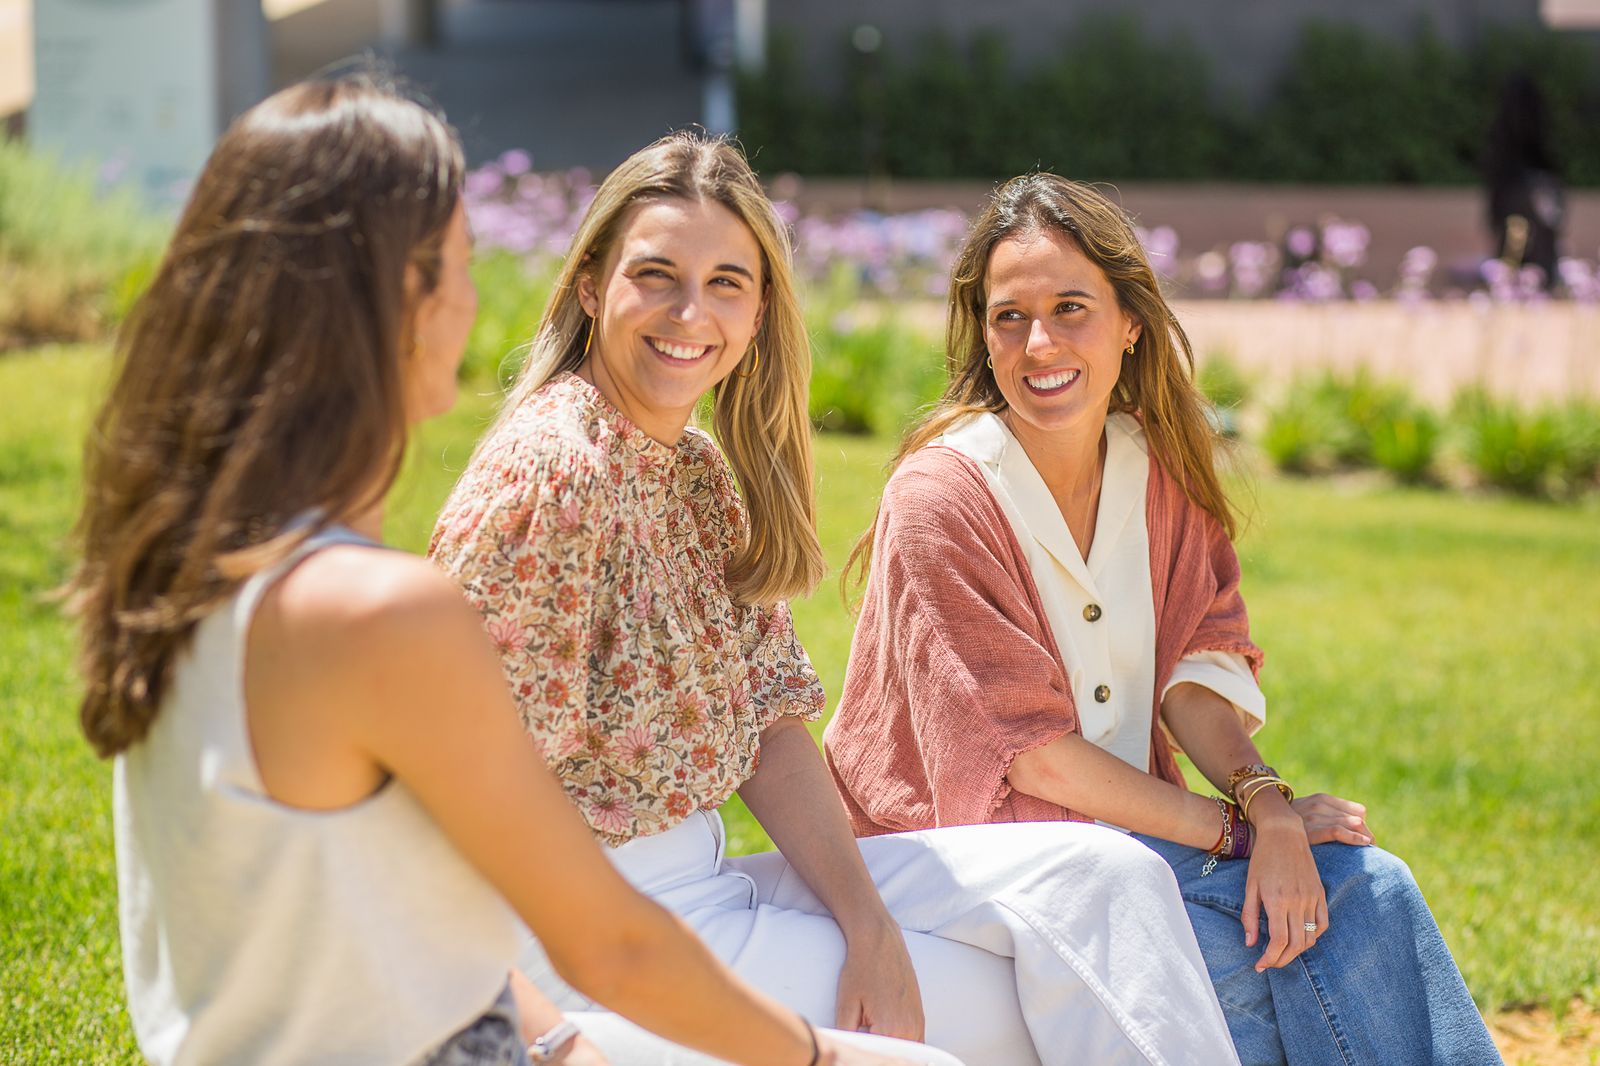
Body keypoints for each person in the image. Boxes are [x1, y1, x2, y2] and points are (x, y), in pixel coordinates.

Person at [62, 73, 943, 1066]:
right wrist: (813, 1057)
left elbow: (397, 905)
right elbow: (598, 942)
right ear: (400, 302)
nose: (474, 298)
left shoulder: (186, 576)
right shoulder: (375, 611)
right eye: (459, 262)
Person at [429, 131, 1241, 1066]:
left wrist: (868, 924)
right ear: (588, 286)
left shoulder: (697, 474)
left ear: (760, 310)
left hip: (704, 883)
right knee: (1022, 1008)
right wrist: (548, 1034)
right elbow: (452, 788)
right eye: (655, 275)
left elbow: (774, 725)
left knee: (1104, 881)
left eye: (726, 283)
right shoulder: (555, 474)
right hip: (589, 935)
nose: (691, 312)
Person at [823, 173, 1506, 1066]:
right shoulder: (942, 500)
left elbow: (1197, 669)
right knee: (1247, 966)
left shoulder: (1157, 472)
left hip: (1128, 846)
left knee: (1368, 888)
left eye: (1071, 308)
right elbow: (1030, 757)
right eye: (1009, 317)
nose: (1039, 344)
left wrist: (1268, 803)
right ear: (982, 335)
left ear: (1130, 322)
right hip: (971, 858)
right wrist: (1240, 831)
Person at [1484, 72, 1564, 289]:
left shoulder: (1500, 141)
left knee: (1514, 241)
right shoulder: (1538, 134)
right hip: (1530, 189)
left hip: (1513, 190)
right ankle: (1539, 279)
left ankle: (1512, 278)